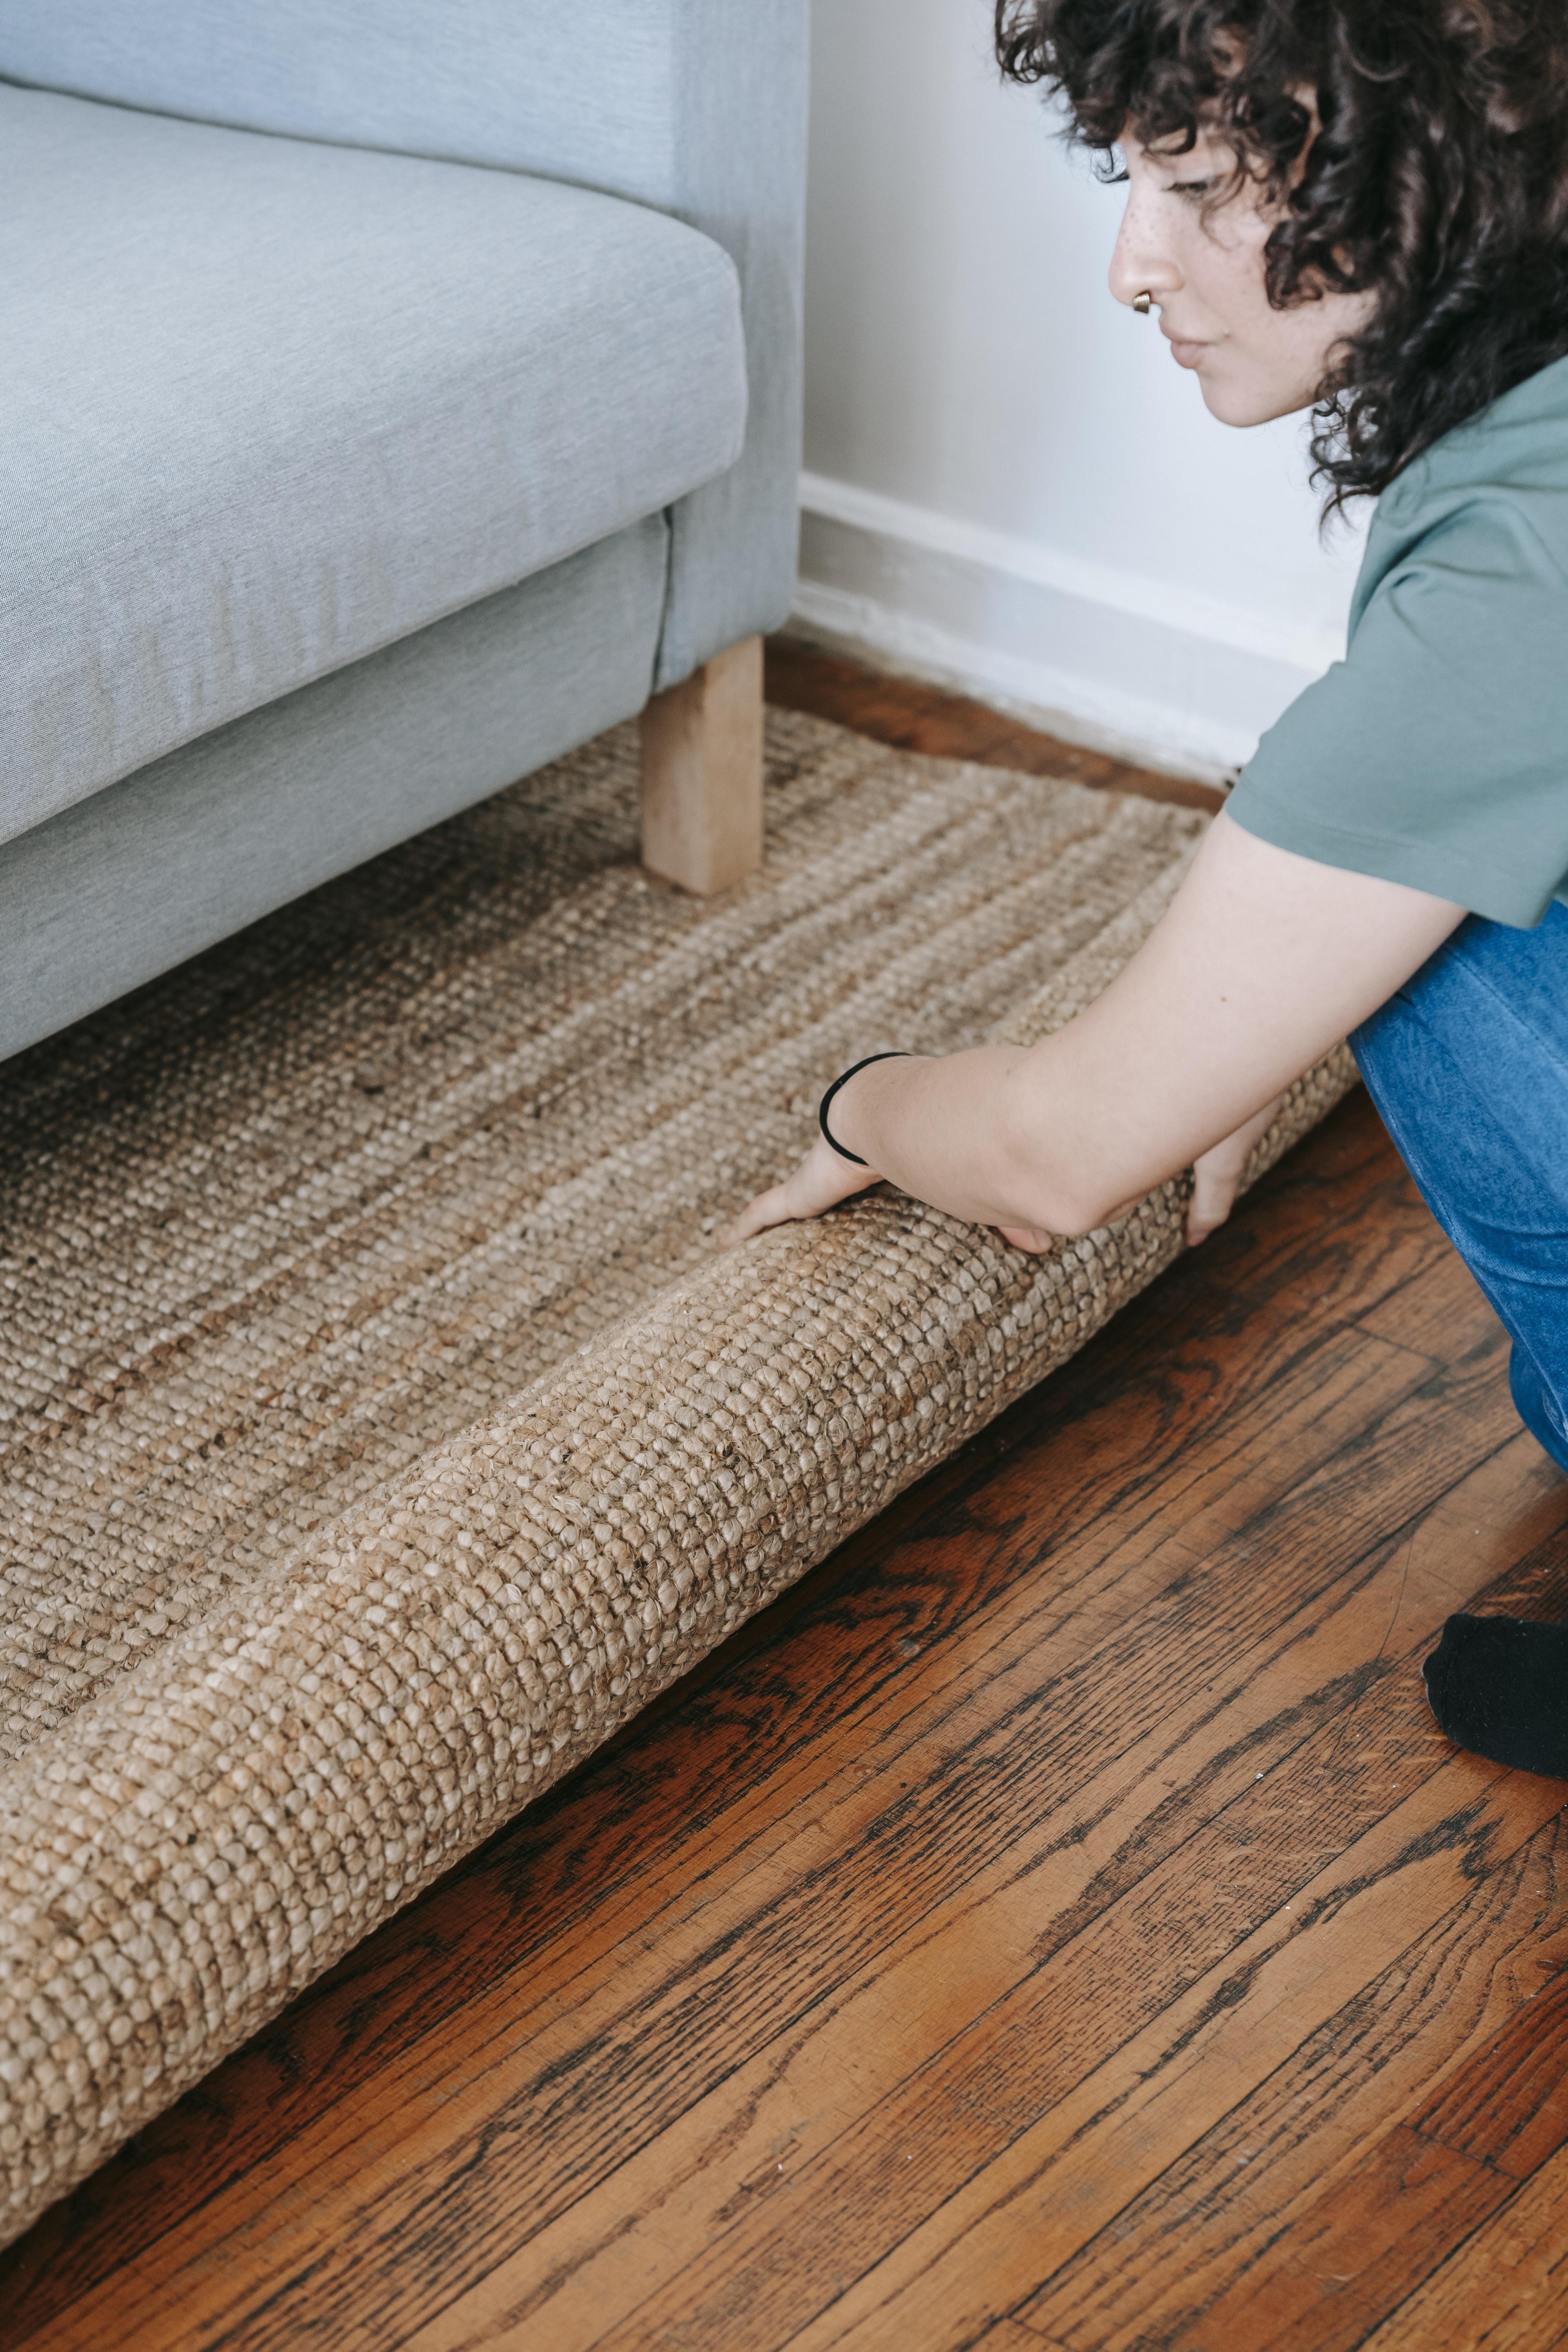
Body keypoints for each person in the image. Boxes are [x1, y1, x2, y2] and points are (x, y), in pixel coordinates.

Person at [723, 0, 1568, 1778]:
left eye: (1192, 186)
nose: (1132, 264)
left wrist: (859, 1102)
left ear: (1430, 156)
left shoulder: (1522, 561)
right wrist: (1252, 1005)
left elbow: (1055, 1157)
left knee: (1430, 937)